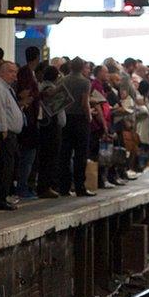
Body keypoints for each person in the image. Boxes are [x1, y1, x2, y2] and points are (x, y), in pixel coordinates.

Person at [0, 61, 24, 211]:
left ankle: (2, 196)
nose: (14, 75)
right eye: (11, 72)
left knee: (7, 166)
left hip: (10, 133)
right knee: (2, 167)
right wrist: (3, 130)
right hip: (3, 133)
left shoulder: (6, 88)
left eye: (15, 72)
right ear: (1, 72)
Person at [57, 57, 94, 197]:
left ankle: (64, 187)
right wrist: (89, 116)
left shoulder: (63, 80)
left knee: (65, 154)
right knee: (80, 154)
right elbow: (85, 102)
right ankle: (80, 187)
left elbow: (59, 97)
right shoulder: (85, 82)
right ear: (82, 67)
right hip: (80, 119)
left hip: (66, 118)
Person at [15, 47, 41, 199]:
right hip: (28, 120)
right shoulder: (26, 73)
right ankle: (22, 187)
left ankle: (26, 186)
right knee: (27, 157)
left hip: (31, 119)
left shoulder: (28, 73)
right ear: (37, 57)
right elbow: (25, 93)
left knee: (30, 157)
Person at [36, 66, 64, 198]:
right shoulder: (50, 89)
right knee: (50, 157)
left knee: (47, 157)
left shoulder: (42, 86)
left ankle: (46, 185)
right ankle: (46, 187)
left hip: (47, 127)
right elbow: (54, 108)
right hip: (50, 127)